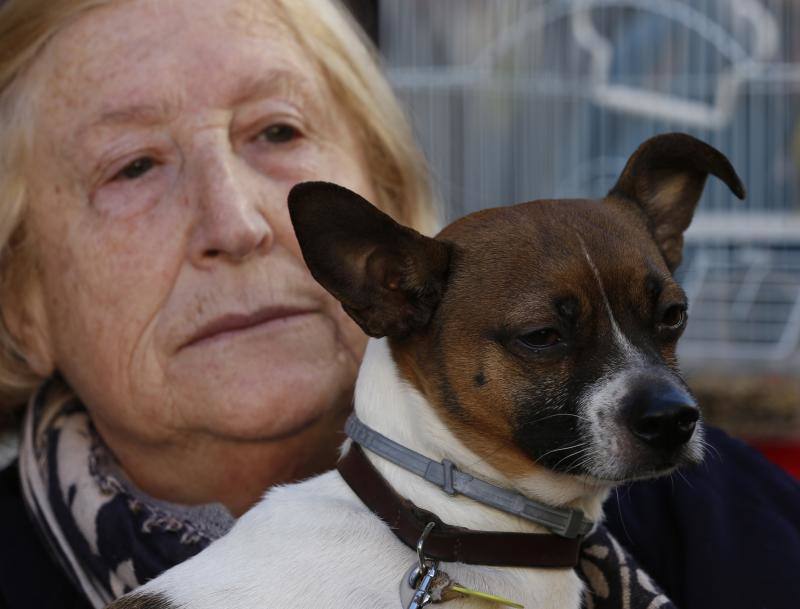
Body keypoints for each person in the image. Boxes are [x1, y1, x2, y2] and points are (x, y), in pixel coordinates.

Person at [0, 1, 797, 609]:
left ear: (384, 197)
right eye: (132, 166)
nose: (238, 224)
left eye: (277, 129)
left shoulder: (706, 509)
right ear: (17, 302)